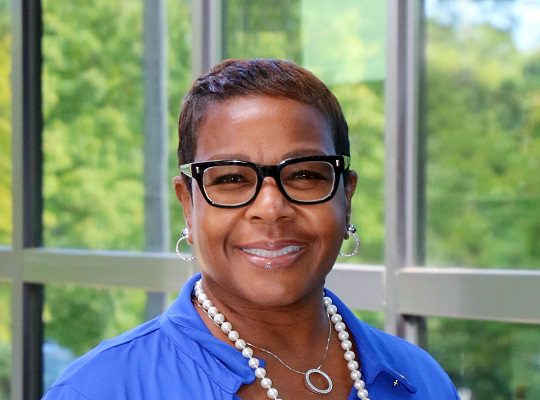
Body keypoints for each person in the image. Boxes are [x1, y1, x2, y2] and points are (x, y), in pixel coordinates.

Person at [43, 58, 460, 400]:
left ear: (345, 197)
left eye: (304, 175)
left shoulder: (420, 378)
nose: (271, 208)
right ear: (188, 204)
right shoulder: (100, 388)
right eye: (230, 179)